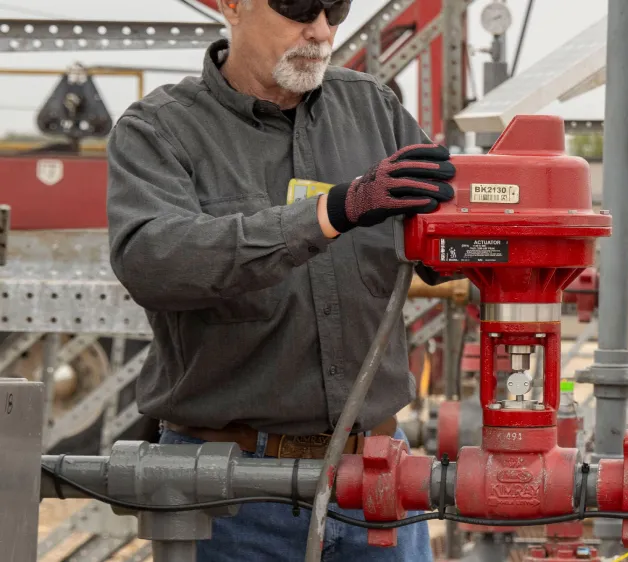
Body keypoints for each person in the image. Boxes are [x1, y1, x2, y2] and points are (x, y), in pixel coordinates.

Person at [105, 0, 454, 560]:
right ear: (232, 6)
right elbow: (153, 261)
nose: (320, 30)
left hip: (379, 482)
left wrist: (471, 238)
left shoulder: (374, 109)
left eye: (335, 9)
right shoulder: (160, 129)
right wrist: (331, 212)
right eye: (297, 7)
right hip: (229, 493)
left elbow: (439, 237)